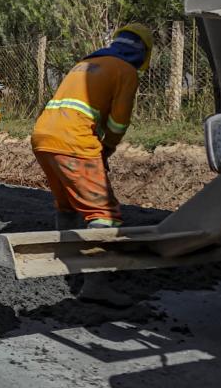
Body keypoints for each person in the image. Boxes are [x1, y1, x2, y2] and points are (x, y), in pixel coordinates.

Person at [30, 23, 153, 307]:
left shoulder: (86, 63)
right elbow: (119, 122)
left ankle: (64, 264)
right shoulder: (126, 71)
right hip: (74, 141)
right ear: (143, 54)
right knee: (104, 214)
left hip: (43, 137)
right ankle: (96, 285)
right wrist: (107, 148)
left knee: (68, 206)